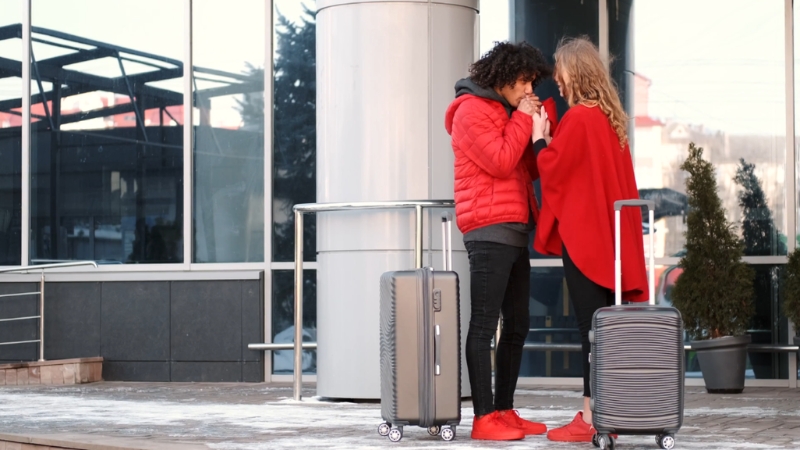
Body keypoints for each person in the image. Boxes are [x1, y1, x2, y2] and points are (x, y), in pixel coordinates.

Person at [530, 36, 649, 443]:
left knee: (591, 332)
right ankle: (607, 412)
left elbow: (555, 169)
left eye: (560, 72)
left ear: (574, 72)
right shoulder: (609, 120)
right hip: (610, 242)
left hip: (587, 243)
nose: (557, 81)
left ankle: (591, 417)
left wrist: (539, 138)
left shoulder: (580, 118)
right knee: (605, 331)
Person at [444, 41, 553, 441]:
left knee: (518, 323)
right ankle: (483, 416)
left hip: (514, 227)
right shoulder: (470, 111)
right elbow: (500, 161)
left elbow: (523, 168)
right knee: (485, 324)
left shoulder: (505, 112)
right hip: (488, 229)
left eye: (532, 83)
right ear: (504, 76)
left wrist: (540, 132)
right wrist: (523, 119)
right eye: (524, 81)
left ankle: (504, 410)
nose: (529, 90)